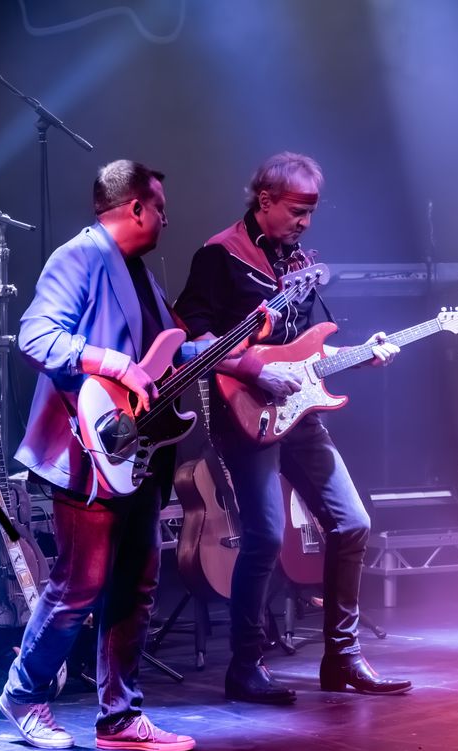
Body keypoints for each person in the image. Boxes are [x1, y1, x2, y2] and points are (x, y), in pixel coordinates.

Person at [174, 151, 412, 704]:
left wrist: (361, 354)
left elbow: (308, 350)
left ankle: (343, 659)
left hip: (299, 411)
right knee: (263, 535)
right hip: (245, 410)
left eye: (312, 212)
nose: (305, 222)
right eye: (297, 210)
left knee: (351, 523)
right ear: (265, 200)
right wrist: (255, 368)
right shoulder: (219, 255)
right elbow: (194, 341)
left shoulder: (296, 261)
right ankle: (246, 665)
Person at [0, 160, 197, 751]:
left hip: (136, 453)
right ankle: (23, 693)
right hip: (87, 451)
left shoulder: (142, 276)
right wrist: (111, 364)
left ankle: (120, 717)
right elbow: (36, 335)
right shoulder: (80, 256)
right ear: (134, 205)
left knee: (136, 585)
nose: (166, 217)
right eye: (159, 206)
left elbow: (171, 349)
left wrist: (252, 350)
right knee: (78, 584)